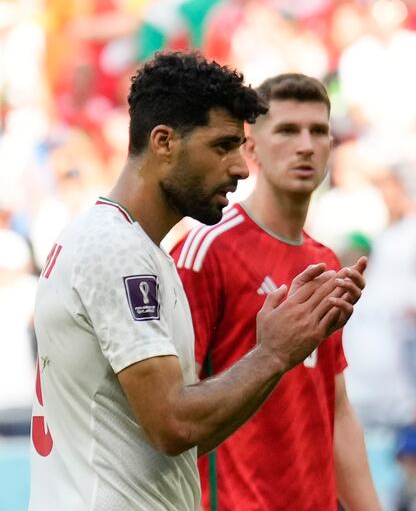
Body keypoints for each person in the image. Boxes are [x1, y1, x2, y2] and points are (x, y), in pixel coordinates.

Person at [28, 52, 365, 510]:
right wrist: (273, 353)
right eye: (222, 146)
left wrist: (275, 355)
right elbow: (174, 425)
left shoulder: (133, 248)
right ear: (164, 142)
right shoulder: (119, 250)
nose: (241, 167)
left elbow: (181, 440)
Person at [171, 73, 380, 510]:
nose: (305, 144)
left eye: (318, 131)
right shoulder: (206, 249)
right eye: (287, 130)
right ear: (251, 150)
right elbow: (173, 408)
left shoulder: (324, 263)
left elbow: (335, 407)